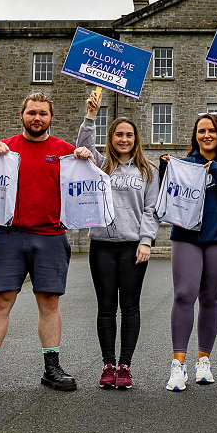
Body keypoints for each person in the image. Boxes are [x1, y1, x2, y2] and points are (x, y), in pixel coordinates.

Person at [0, 92, 82, 397]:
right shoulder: (4, 149)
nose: (37, 118)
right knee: (0, 303)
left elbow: (86, 187)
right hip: (9, 236)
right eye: (32, 113)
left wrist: (86, 159)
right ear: (22, 115)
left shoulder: (66, 152)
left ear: (51, 118)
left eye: (43, 113)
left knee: (50, 304)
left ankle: (51, 369)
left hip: (51, 236)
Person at [73, 90, 159, 390]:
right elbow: (82, 148)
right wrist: (91, 115)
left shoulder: (148, 171)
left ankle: (125, 366)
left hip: (132, 246)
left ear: (136, 139)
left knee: (131, 307)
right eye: (119, 135)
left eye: (129, 135)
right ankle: (108, 364)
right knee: (106, 306)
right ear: (111, 138)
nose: (124, 139)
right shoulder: (101, 165)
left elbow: (151, 210)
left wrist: (146, 241)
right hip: (102, 246)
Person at [161, 113, 217, 391]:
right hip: (186, 237)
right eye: (201, 131)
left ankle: (203, 361)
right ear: (195, 135)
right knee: (184, 295)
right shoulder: (184, 165)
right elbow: (168, 196)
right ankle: (178, 366)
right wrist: (166, 171)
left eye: (212, 130)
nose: (206, 135)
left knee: (210, 298)